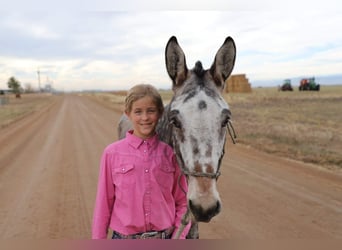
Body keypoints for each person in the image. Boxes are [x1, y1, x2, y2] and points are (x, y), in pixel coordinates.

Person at [92, 84, 190, 239]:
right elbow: (103, 204)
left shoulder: (171, 154)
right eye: (138, 112)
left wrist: (179, 237)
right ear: (128, 114)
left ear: (160, 113)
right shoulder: (112, 153)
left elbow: (183, 203)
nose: (145, 118)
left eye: (151, 111)